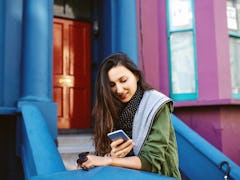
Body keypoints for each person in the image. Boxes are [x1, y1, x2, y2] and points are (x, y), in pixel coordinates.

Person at [76, 52, 181, 179]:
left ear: (136, 76)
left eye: (123, 80)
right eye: (112, 85)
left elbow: (151, 161)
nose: (119, 90)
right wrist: (111, 157)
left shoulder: (156, 105)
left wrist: (108, 161)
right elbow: (110, 158)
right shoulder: (111, 109)